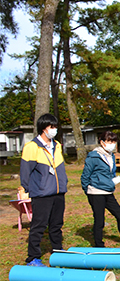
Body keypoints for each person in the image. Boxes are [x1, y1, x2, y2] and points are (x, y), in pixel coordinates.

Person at [20, 113, 68, 266]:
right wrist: (26, 189)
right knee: (39, 225)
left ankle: (58, 251)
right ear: (43, 128)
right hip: (41, 193)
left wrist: (63, 184)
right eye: (51, 127)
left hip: (58, 192)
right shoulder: (31, 147)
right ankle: (33, 257)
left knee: (56, 224)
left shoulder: (57, 145)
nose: (54, 130)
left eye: (55, 127)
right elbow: (25, 172)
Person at [81, 131, 120, 247]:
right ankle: (98, 244)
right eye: (110, 141)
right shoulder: (94, 156)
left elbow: (111, 173)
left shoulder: (111, 156)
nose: (112, 144)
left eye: (114, 142)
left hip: (108, 191)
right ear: (102, 142)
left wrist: (112, 182)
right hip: (96, 192)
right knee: (99, 220)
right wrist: (88, 190)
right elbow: (85, 175)